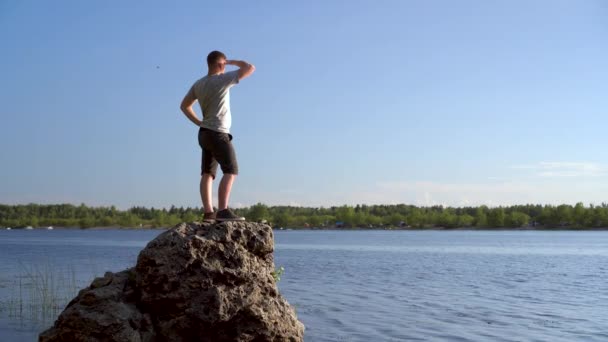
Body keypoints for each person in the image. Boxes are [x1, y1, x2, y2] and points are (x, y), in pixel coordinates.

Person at [180, 51, 255, 221]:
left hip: (204, 134)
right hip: (218, 133)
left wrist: (199, 122)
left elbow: (184, 106)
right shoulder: (221, 80)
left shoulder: (198, 84)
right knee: (231, 170)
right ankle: (222, 211)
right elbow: (250, 68)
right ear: (221, 64)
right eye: (224, 64)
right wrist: (232, 61)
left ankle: (208, 213)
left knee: (207, 173)